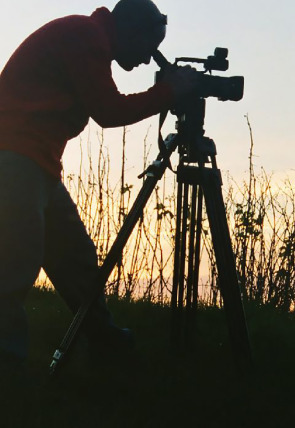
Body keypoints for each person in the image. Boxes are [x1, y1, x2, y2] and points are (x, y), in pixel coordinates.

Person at [0, 0, 198, 369]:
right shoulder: (84, 36)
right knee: (15, 262)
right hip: (14, 157)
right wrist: (170, 92)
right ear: (130, 31)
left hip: (35, 162)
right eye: (148, 46)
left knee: (75, 256)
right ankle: (9, 364)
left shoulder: (87, 38)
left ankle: (102, 338)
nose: (146, 59)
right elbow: (109, 111)